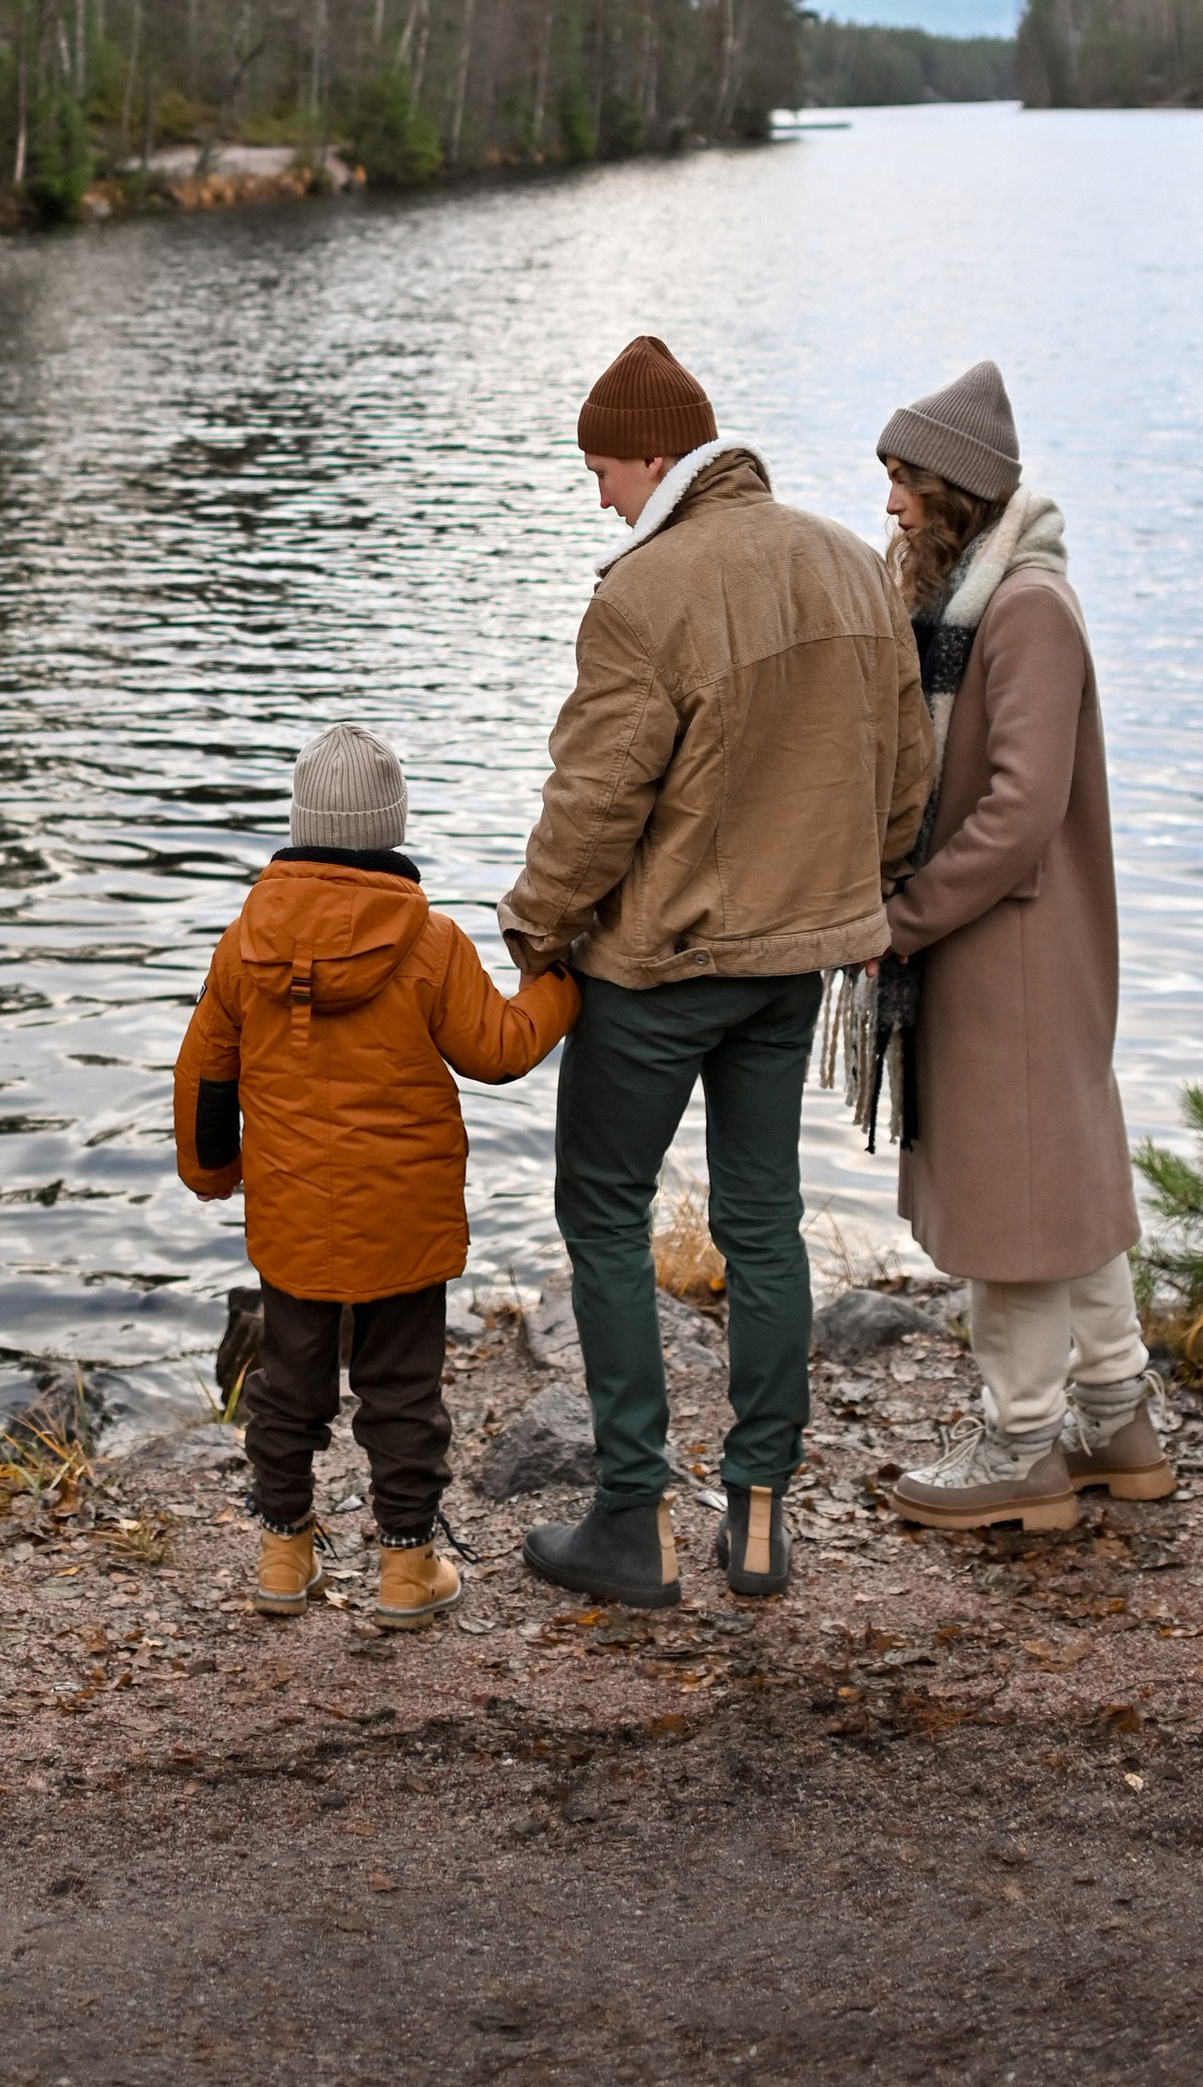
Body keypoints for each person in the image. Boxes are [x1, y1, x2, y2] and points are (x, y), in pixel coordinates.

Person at [498, 333, 934, 1611]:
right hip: (794, 962)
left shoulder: (646, 593)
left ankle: (631, 1515)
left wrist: (533, 930)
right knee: (761, 1218)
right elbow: (903, 776)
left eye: (601, 471)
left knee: (601, 1207)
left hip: (659, 968)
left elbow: (593, 803)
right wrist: (850, 889)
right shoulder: (849, 562)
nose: (600, 499)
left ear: (652, 457)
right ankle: (756, 1515)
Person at [173, 720, 578, 1625]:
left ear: (301, 824)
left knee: (286, 1389)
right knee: (402, 1393)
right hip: (404, 1219)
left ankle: (284, 1558)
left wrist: (211, 1171)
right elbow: (501, 1051)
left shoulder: (245, 942)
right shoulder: (430, 942)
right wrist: (562, 985)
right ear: (391, 826)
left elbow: (204, 1070)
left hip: (291, 1214)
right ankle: (405, 1568)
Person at [867, 359, 1173, 1533]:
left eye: (906, 480)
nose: (892, 503)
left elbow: (1018, 809)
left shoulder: (1026, 605)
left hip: (1018, 955)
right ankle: (1114, 1419)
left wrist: (900, 917)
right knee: (1063, 1185)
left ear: (957, 491)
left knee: (1015, 1207)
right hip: (1007, 947)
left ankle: (1023, 1444)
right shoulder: (971, 600)